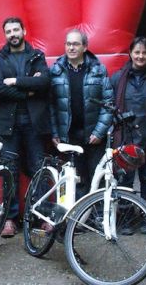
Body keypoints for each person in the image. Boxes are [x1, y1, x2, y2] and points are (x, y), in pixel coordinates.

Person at [0, 17, 50, 238]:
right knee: (9, 171)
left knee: (38, 169)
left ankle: (43, 216)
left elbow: (44, 83)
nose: (13, 33)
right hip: (9, 125)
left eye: (16, 29)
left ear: (24, 30)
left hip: (33, 123)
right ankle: (9, 218)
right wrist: (28, 89)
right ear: (4, 34)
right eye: (8, 31)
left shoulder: (36, 56)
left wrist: (15, 81)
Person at [110, 36, 146, 234]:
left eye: (144, 52)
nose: (140, 56)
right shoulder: (118, 78)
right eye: (137, 52)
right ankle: (125, 219)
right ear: (130, 53)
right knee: (125, 180)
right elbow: (112, 109)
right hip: (125, 140)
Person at [50, 29, 113, 201]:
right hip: (69, 136)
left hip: (93, 136)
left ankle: (99, 220)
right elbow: (51, 106)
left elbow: (108, 104)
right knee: (76, 181)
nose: (71, 47)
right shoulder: (55, 70)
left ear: (85, 47)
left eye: (76, 44)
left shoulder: (98, 70)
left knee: (97, 179)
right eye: (68, 43)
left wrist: (99, 132)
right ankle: (78, 221)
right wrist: (55, 132)